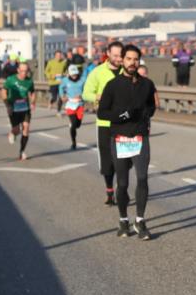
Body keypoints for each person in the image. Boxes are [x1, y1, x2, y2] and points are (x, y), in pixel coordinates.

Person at [97, 44, 158, 240]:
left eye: (135, 59)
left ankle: (140, 221)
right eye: (129, 59)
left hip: (140, 137)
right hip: (119, 138)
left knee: (142, 178)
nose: (132, 63)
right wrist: (122, 115)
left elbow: (151, 104)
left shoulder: (146, 84)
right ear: (122, 60)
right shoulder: (113, 85)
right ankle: (123, 219)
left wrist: (147, 113)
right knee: (122, 184)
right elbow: (102, 112)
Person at [83, 41, 125, 206]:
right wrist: (98, 97)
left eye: (120, 56)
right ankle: (109, 189)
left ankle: (121, 188)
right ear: (108, 54)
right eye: (114, 56)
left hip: (124, 123)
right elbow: (86, 93)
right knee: (107, 161)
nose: (118, 59)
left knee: (123, 160)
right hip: (105, 123)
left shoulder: (128, 72)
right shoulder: (98, 72)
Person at [3, 62, 36, 161]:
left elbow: (32, 92)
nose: (24, 73)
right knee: (17, 130)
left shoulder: (29, 81)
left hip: (25, 108)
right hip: (13, 107)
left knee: (26, 128)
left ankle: (22, 152)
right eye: (22, 71)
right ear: (18, 70)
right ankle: (12, 133)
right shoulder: (11, 80)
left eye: (26, 71)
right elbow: (4, 91)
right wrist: (7, 104)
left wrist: (33, 102)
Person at [59, 64, 86, 150]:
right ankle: (73, 143)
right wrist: (62, 96)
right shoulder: (65, 80)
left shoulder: (82, 80)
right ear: (69, 74)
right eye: (73, 74)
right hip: (70, 104)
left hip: (80, 104)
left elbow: (86, 90)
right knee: (74, 124)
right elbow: (61, 88)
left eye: (75, 74)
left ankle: (73, 125)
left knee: (78, 125)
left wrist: (81, 95)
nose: (74, 76)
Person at [45, 50, 68, 117]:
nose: (59, 57)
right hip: (53, 82)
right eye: (57, 55)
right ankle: (51, 101)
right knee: (54, 97)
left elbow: (65, 71)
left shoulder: (63, 63)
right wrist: (52, 76)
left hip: (61, 82)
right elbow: (46, 72)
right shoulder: (50, 62)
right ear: (55, 56)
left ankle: (58, 111)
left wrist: (64, 75)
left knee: (61, 97)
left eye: (60, 55)